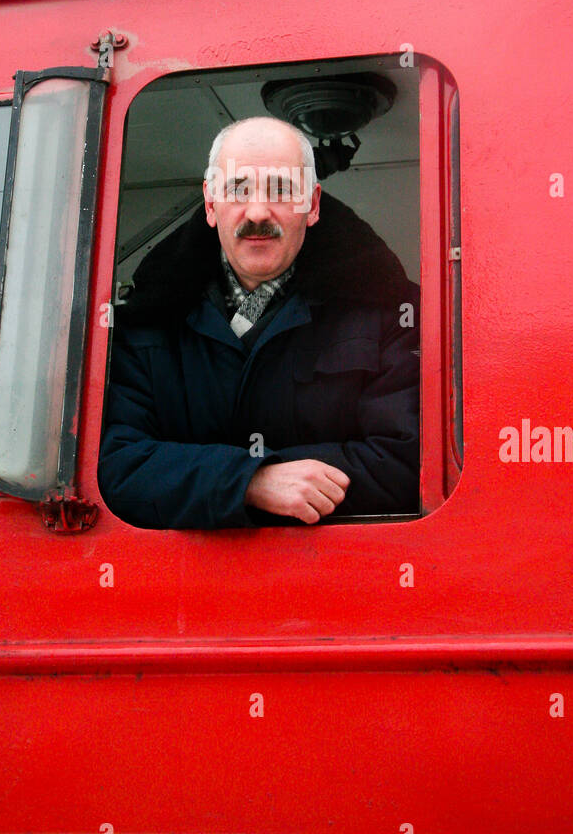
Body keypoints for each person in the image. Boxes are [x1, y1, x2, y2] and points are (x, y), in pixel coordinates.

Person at [97, 116, 419, 528]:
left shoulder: (392, 311)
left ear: (313, 204)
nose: (258, 211)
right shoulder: (146, 320)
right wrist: (250, 482)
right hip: (183, 584)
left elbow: (408, 462)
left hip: (338, 582)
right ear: (211, 204)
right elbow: (114, 466)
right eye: (237, 188)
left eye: (282, 189)